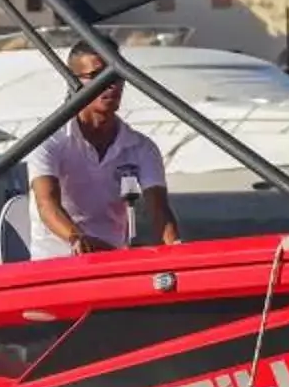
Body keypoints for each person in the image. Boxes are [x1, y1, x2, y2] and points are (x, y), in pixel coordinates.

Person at [26, 46, 183, 258]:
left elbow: (159, 210)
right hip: (53, 263)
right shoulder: (48, 141)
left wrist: (176, 250)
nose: (110, 85)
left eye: (116, 75)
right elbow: (47, 204)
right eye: (96, 76)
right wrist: (77, 238)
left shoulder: (142, 148)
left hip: (112, 262)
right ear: (73, 83)